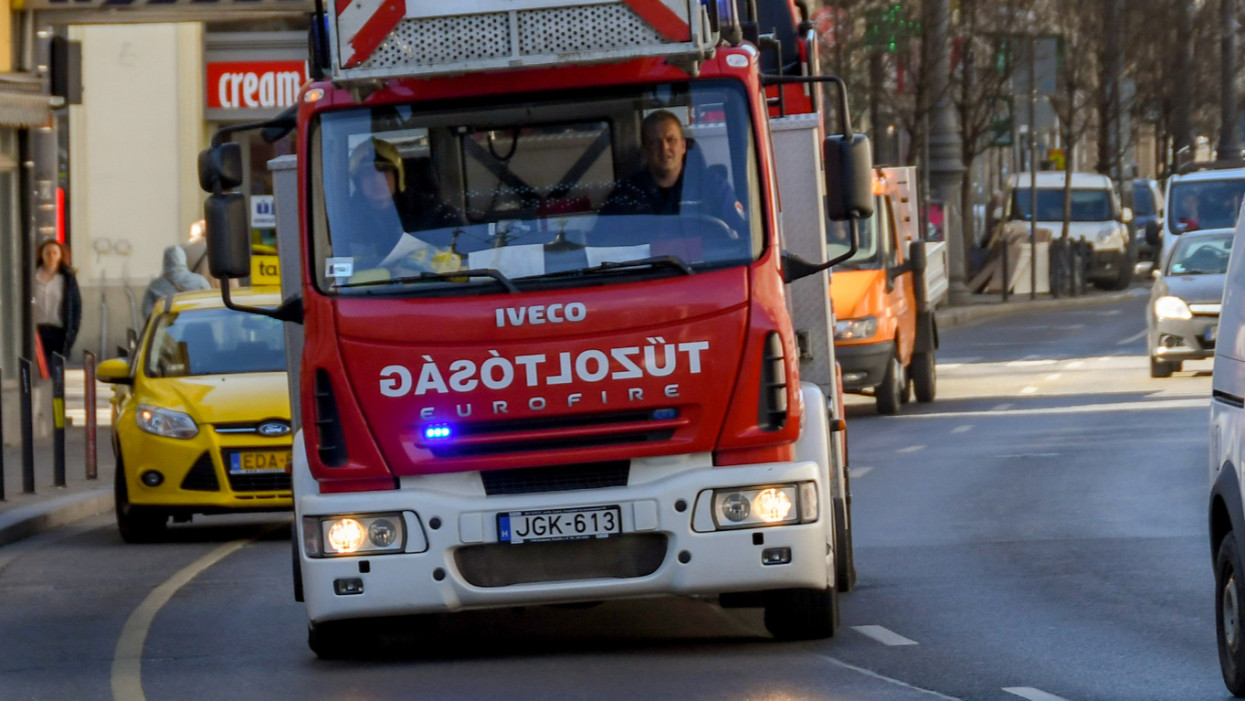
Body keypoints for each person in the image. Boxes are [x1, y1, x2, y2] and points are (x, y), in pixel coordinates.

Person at [599, 110, 747, 235]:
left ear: (683, 146)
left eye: (671, 140)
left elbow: (743, 236)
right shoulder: (625, 195)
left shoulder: (713, 187)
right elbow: (601, 245)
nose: (664, 148)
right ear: (645, 150)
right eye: (655, 142)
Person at [343, 138, 461, 266]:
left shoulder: (433, 213)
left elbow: (460, 250)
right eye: (368, 174)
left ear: (397, 176)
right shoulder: (346, 222)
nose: (377, 180)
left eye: (384, 172)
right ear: (358, 182)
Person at [32, 238, 82, 361]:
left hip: (58, 331)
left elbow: (75, 306)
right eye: (47, 253)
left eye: (54, 253)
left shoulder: (66, 278)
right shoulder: (33, 277)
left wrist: (72, 333)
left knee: (56, 365)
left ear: (60, 255)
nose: (51, 256)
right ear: (42, 255)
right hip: (37, 330)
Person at [141, 245, 211, 318]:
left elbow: (147, 313)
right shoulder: (200, 281)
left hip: (170, 324)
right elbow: (210, 305)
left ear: (165, 260)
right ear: (183, 259)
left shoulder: (154, 286)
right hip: (197, 322)